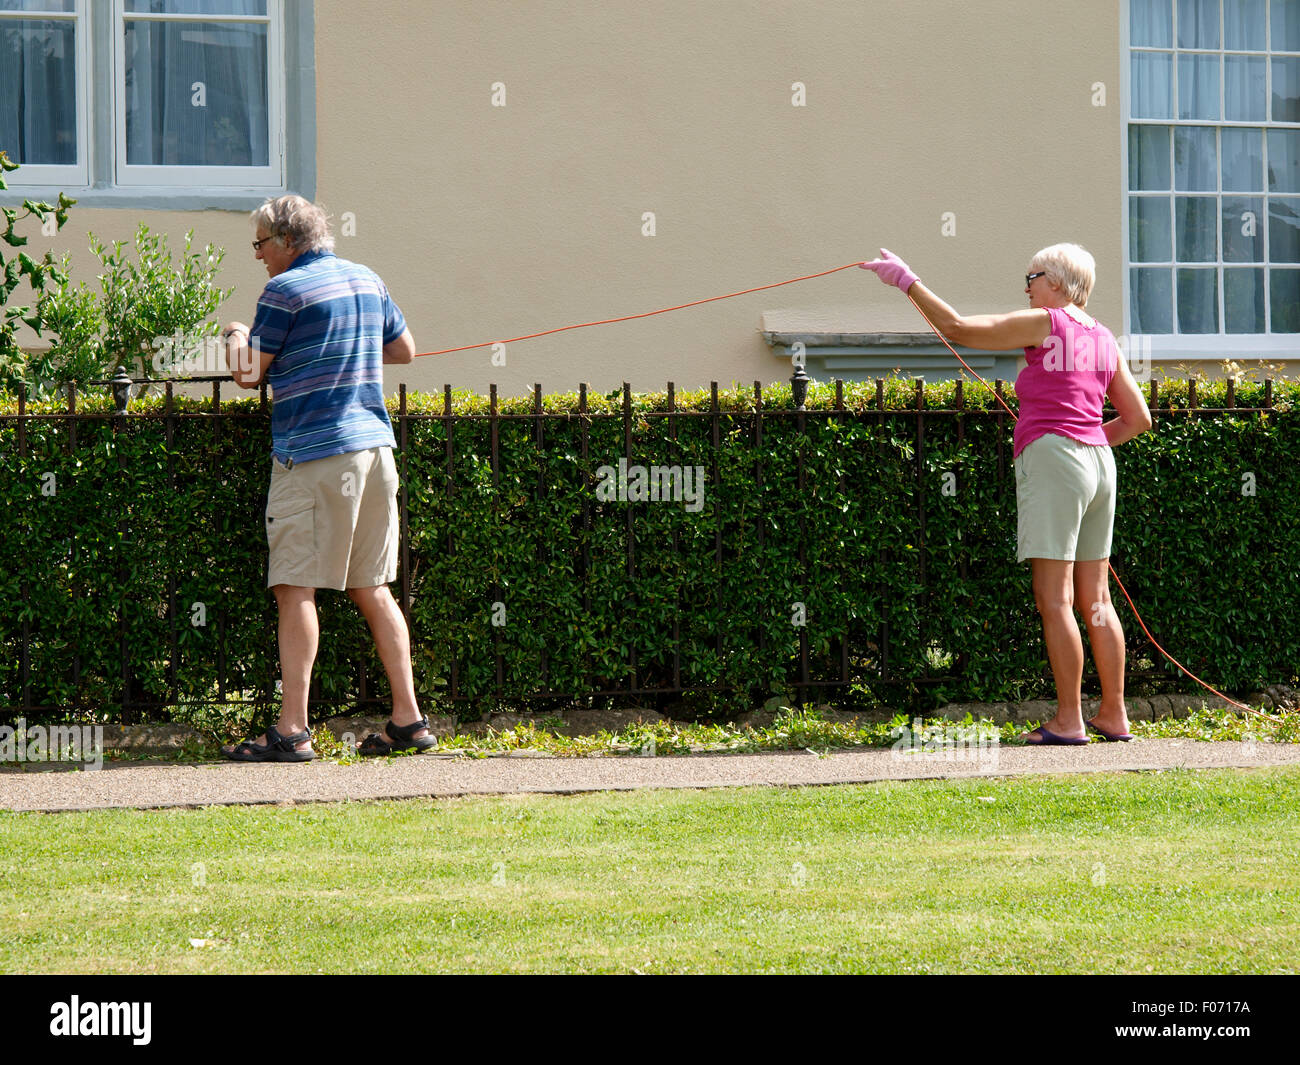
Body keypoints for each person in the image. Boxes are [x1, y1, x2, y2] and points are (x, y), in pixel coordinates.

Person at [860, 244, 1152, 745]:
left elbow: (957, 329)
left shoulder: (1047, 321)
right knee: (1097, 599)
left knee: (1054, 597)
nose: (1027, 286)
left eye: (1033, 276)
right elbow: (1139, 419)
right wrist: (1087, 439)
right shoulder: (1103, 337)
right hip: (1100, 466)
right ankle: (1114, 714)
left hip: (1057, 460)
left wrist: (906, 281)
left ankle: (1068, 720)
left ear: (1057, 282)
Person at [219, 194, 435, 761]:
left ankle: (291, 731)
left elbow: (246, 376)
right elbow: (405, 350)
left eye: (261, 243)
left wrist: (236, 334)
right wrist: (343, 348)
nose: (259, 256)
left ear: (288, 241)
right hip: (374, 454)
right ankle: (409, 720)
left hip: (312, 456)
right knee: (374, 588)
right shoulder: (367, 278)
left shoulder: (283, 292)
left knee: (295, 588)